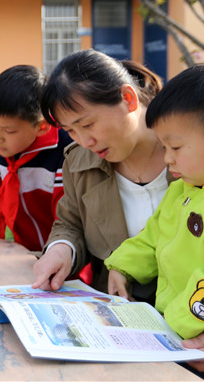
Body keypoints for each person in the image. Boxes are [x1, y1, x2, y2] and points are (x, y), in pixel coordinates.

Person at [105, 65, 204, 348]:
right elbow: (153, 236)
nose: (168, 160)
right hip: (174, 328)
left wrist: (168, 324)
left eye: (175, 148)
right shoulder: (183, 189)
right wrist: (123, 267)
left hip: (203, 339)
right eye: (163, 148)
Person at [32, 50, 170, 295]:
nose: (85, 141)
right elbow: (71, 224)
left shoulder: (197, 148)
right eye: (70, 130)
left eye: (87, 124)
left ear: (128, 98)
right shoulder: (79, 162)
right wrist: (61, 249)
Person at [0, 65, 72, 252]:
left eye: (9, 130)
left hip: (64, 253)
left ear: (42, 127)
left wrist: (56, 254)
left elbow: (67, 218)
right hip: (25, 251)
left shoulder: (65, 147)